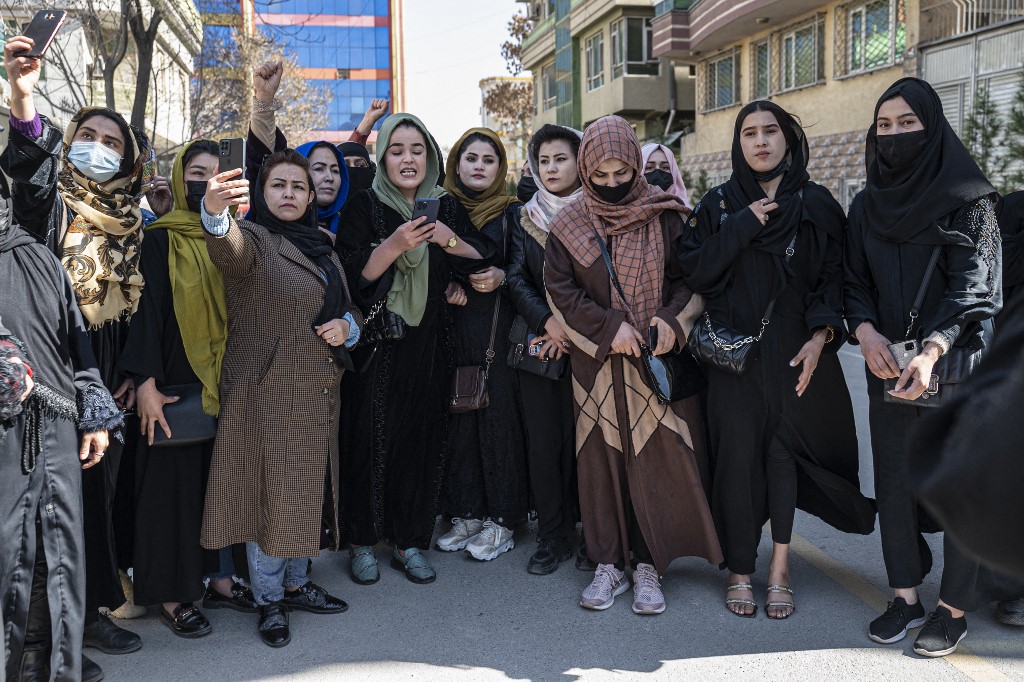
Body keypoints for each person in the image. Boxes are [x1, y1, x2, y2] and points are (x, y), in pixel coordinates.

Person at [677, 101, 876, 620]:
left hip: (796, 352)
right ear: (738, 143)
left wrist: (822, 337)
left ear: (789, 139)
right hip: (734, 358)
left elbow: (834, 277)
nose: (760, 141)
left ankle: (781, 567)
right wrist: (741, 226)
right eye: (749, 133)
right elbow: (695, 272)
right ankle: (741, 570)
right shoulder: (719, 206)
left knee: (784, 456)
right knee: (737, 459)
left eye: (770, 131)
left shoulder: (817, 203)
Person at [844, 77, 1002, 657]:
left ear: (931, 126)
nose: (894, 135)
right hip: (886, 364)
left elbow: (976, 286)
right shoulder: (866, 205)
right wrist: (863, 332)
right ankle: (905, 595)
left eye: (907, 123)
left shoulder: (970, 198)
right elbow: (851, 281)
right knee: (894, 482)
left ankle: (953, 608)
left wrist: (934, 346)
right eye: (884, 125)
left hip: (956, 365)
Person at [1, 34, 143, 660]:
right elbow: (29, 178)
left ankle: (88, 614)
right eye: (90, 136)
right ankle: (42, 637)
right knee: (40, 512)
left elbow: (152, 307)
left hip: (108, 376)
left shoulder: (138, 220)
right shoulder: (50, 208)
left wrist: (132, 377)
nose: (101, 150)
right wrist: (24, 99)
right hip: (52, 371)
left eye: (114, 142)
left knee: (94, 505)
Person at [544, 115, 722, 615]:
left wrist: (668, 320)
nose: (613, 184)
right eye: (600, 175)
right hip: (597, 367)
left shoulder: (667, 215)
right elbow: (560, 292)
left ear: (637, 165)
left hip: (655, 361)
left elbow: (690, 281)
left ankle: (649, 564)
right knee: (600, 463)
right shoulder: (569, 225)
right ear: (585, 171)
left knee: (659, 460)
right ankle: (607, 564)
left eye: (623, 172)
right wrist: (608, 329)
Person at [199, 147, 359, 648]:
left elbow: (347, 305)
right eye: (278, 186)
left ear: (311, 196)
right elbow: (227, 248)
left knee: (306, 491)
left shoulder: (324, 249)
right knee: (271, 497)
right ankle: (269, 600)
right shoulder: (255, 241)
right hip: (266, 393)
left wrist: (348, 326)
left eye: (298, 186)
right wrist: (215, 211)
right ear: (263, 195)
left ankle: (296, 583)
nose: (289, 194)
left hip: (319, 392)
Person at [335, 113, 495, 585]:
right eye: (397, 150)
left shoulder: (445, 206)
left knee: (420, 443)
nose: (408, 159)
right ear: (383, 156)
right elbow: (349, 277)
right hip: (378, 345)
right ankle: (362, 542)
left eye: (417, 149)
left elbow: (483, 257)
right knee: (366, 439)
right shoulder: (365, 204)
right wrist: (391, 247)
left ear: (430, 156)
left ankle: (409, 541)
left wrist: (451, 241)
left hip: (430, 343)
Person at [119, 140, 256, 639]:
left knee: (221, 487)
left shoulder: (239, 239)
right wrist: (147, 384)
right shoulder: (160, 237)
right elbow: (147, 312)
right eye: (198, 174)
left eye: (220, 175)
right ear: (180, 180)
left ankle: (220, 578)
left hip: (231, 382)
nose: (209, 183)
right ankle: (174, 594)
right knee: (171, 493)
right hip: (174, 384)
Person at [0, 170, 119, 682]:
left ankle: (57, 661)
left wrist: (92, 407)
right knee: (9, 556)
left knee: (60, 552)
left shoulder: (38, 255)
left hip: (58, 432)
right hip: (5, 438)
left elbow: (78, 348)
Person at [436, 128, 528, 561]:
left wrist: (502, 277)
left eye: (488, 160)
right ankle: (467, 512)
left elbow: (523, 266)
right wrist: (450, 284)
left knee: (498, 421)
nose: (478, 166)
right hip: (454, 330)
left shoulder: (512, 211)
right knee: (460, 421)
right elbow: (431, 262)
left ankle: (504, 519)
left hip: (496, 331)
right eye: (470, 158)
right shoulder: (443, 207)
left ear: (500, 168)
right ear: (456, 163)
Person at [506, 123, 584, 575]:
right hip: (541, 347)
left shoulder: (599, 211)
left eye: (561, 158)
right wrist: (548, 323)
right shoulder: (525, 217)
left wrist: (575, 328)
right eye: (545, 160)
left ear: (579, 161)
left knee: (589, 444)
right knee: (545, 444)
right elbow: (515, 279)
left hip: (590, 347)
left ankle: (593, 530)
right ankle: (553, 535)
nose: (552, 168)